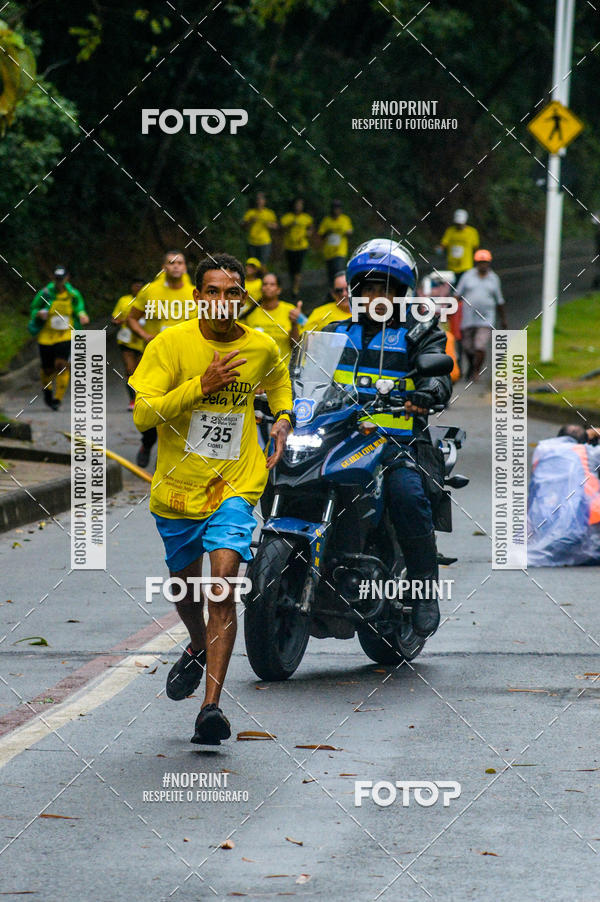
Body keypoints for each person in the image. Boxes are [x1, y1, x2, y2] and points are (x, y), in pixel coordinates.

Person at [129, 253, 293, 744]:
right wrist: (201, 385)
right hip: (178, 490)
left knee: (222, 585)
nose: (223, 302)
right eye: (213, 292)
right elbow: (142, 416)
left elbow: (280, 382)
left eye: (233, 293)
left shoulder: (262, 346)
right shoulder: (170, 344)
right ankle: (197, 645)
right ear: (198, 298)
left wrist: (283, 418)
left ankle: (211, 709)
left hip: (237, 484)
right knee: (187, 589)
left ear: (243, 299)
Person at [324, 239, 452, 637]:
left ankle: (423, 590)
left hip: (397, 444)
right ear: (355, 290)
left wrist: (429, 392)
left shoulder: (420, 332)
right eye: (367, 287)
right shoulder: (332, 333)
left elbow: (439, 377)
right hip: (337, 441)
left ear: (400, 293)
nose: (376, 296)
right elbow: (302, 378)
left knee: (407, 495)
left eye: (385, 288)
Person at [127, 250, 196, 468]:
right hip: (155, 360)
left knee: (181, 407)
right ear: (164, 267)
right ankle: (147, 444)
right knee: (150, 404)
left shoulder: (194, 293)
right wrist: (145, 335)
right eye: (171, 263)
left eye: (180, 263)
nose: (176, 266)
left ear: (185, 267)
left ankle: (169, 456)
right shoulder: (150, 291)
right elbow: (132, 318)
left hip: (184, 361)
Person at [528, 424, 600, 567]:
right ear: (584, 441)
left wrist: (582, 434)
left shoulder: (542, 450)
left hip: (546, 510)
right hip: (587, 515)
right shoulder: (589, 453)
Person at [28, 265, 89, 410]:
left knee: (62, 365)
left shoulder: (73, 294)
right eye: (57, 279)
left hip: (65, 334)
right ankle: (47, 391)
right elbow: (34, 307)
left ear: (67, 278)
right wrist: (38, 313)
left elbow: (80, 307)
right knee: (48, 369)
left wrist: (82, 314)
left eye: (61, 279)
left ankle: (58, 399)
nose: (59, 282)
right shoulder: (46, 292)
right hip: (46, 335)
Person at [454, 249, 507, 381]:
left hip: (486, 317)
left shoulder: (494, 279)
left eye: (485, 262)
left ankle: (476, 370)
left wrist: (503, 319)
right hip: (468, 317)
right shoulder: (467, 276)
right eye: (480, 262)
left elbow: (499, 300)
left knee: (480, 345)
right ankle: (472, 366)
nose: (483, 265)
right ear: (476, 263)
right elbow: (457, 295)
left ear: (488, 263)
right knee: (467, 345)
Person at [240, 272, 303, 366]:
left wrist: (294, 324)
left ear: (279, 290)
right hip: (257, 371)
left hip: (283, 372)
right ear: (261, 289)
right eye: (265, 284)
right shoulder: (249, 314)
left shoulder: (291, 310)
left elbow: (296, 346)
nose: (268, 287)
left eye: (272, 284)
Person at [111, 278, 145, 410]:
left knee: (141, 372)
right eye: (135, 286)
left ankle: (142, 399)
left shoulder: (149, 301)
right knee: (130, 370)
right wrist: (125, 321)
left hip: (143, 340)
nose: (137, 289)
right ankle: (132, 400)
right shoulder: (124, 300)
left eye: (140, 286)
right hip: (126, 340)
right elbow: (115, 318)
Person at [280, 197, 313, 299]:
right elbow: (281, 229)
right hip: (289, 246)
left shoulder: (306, 218)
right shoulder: (287, 217)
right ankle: (292, 285)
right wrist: (291, 225)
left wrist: (308, 234)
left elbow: (311, 229)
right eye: (296, 204)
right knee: (291, 269)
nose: (298, 207)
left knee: (298, 269)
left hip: (301, 247)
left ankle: (295, 289)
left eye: (300, 205)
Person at [437, 209, 480, 280]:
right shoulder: (450, 231)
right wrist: (439, 249)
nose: (459, 225)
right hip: (452, 267)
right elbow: (443, 244)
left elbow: (476, 248)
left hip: (466, 267)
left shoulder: (472, 232)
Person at [318, 200, 353, 283]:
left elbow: (350, 231)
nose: (336, 211)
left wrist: (345, 232)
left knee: (339, 271)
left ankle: (341, 290)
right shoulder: (326, 221)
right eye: (335, 208)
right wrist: (328, 232)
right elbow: (321, 234)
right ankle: (333, 291)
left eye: (338, 209)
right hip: (329, 252)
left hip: (340, 251)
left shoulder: (345, 219)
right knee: (331, 274)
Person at [242, 192, 277, 264]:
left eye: (261, 199)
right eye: (258, 199)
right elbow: (243, 227)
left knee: (262, 265)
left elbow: (276, 226)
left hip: (264, 242)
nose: (259, 201)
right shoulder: (250, 212)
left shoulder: (269, 213)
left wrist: (269, 225)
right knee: (252, 265)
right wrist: (250, 221)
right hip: (252, 242)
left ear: (264, 201)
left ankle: (262, 275)